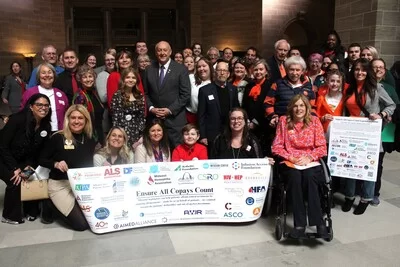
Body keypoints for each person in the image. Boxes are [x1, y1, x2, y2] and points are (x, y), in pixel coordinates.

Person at [341, 58, 395, 215]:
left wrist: (382, 114)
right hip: (351, 133)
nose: (360, 72)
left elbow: (391, 105)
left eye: (363, 70)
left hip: (369, 134)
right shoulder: (349, 89)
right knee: (350, 165)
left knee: (368, 168)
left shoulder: (377, 88)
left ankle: (366, 198)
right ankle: (349, 196)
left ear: (368, 72)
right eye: (357, 69)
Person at [272, 94, 328, 239]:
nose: (299, 108)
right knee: (295, 178)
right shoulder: (284, 121)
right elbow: (276, 147)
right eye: (295, 105)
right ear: (291, 107)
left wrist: (309, 157)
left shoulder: (315, 121)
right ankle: (300, 225)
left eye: (301, 105)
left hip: (310, 160)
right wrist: (290, 157)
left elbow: (322, 147)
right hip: (291, 161)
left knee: (310, 178)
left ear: (306, 107)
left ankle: (319, 223)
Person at [39, 105, 96, 231]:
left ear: (86, 120)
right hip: (61, 185)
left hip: (81, 185)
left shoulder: (90, 139)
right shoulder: (58, 137)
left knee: (95, 218)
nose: (76, 121)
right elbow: (41, 159)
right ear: (68, 119)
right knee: (81, 225)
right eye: (73, 118)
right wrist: (56, 164)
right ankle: (49, 204)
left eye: (80, 118)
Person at [0, 93, 52, 224]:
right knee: (15, 180)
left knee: (30, 177)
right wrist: (15, 168)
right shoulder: (17, 120)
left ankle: (31, 211)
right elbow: (2, 146)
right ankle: (9, 216)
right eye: (39, 105)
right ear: (31, 107)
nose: (43, 108)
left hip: (23, 160)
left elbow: (37, 153)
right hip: (3, 158)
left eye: (46, 105)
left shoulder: (46, 126)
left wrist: (28, 168)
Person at [143, 41, 191, 149]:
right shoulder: (148, 70)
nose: (162, 53)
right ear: (155, 53)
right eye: (159, 50)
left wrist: (169, 110)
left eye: (165, 50)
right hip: (155, 121)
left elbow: (185, 94)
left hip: (175, 121)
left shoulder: (180, 69)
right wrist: (151, 108)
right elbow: (145, 93)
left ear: (170, 52)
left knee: (177, 154)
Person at [371, 58, 400, 206]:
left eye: (381, 67)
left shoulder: (389, 87)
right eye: (375, 67)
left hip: (383, 131)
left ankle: (375, 192)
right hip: (368, 130)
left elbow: (396, 107)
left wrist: (385, 114)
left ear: (385, 70)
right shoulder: (365, 85)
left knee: (378, 163)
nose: (378, 70)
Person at [198, 60, 239, 154]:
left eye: (224, 70)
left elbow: (236, 110)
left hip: (230, 132)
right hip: (212, 134)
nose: (222, 73)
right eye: (219, 70)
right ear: (215, 73)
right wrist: (203, 136)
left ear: (228, 74)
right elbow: (201, 115)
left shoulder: (233, 89)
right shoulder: (204, 90)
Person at [265, 56, 315, 128]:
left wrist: (313, 118)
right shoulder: (278, 84)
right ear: (286, 70)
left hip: (303, 126)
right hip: (282, 124)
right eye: (291, 69)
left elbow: (312, 106)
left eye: (297, 70)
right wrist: (273, 116)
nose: (294, 73)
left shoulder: (309, 86)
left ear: (302, 71)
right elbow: (268, 103)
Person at [21, 63, 69, 132]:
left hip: (58, 132)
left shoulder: (61, 94)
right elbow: (22, 113)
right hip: (35, 132)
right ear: (38, 76)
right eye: (43, 73)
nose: (47, 75)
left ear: (54, 75)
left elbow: (66, 114)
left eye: (50, 72)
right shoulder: (30, 93)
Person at [111, 67, 146, 149]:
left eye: (133, 78)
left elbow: (142, 117)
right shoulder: (117, 95)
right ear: (123, 79)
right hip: (122, 134)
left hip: (137, 134)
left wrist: (140, 137)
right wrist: (121, 137)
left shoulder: (139, 95)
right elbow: (116, 119)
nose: (131, 80)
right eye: (128, 77)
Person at [242, 59, 271, 155]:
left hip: (265, 125)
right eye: (256, 70)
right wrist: (247, 120)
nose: (258, 72)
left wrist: (256, 122)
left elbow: (268, 105)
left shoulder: (271, 85)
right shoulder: (248, 86)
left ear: (266, 71)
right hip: (249, 126)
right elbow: (244, 105)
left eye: (261, 69)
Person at [73, 65, 104, 145]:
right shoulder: (80, 96)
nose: (88, 79)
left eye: (90, 76)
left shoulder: (94, 92)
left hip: (99, 132)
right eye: (85, 77)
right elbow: (79, 120)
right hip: (88, 136)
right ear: (80, 79)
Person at [316, 70, 346, 137]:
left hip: (340, 134)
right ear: (327, 81)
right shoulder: (321, 98)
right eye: (332, 81)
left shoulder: (345, 99)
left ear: (341, 83)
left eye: (338, 81)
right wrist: (323, 118)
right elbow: (316, 118)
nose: (335, 84)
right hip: (324, 134)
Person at [186, 57, 212, 124]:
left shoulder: (214, 83)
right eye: (199, 67)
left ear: (210, 67)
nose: (201, 69)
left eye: (204, 66)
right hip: (191, 116)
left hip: (207, 119)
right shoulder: (191, 78)